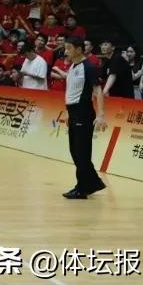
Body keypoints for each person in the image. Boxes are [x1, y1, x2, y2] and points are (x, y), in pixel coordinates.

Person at [61, 37, 106, 199]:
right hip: (73, 112)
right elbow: (71, 91)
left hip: (83, 113)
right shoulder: (72, 66)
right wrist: (68, 112)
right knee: (75, 151)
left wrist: (101, 114)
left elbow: (98, 90)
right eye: (65, 48)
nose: (65, 51)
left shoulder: (89, 67)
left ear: (79, 49)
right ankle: (93, 183)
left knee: (82, 153)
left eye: (68, 48)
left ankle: (82, 188)